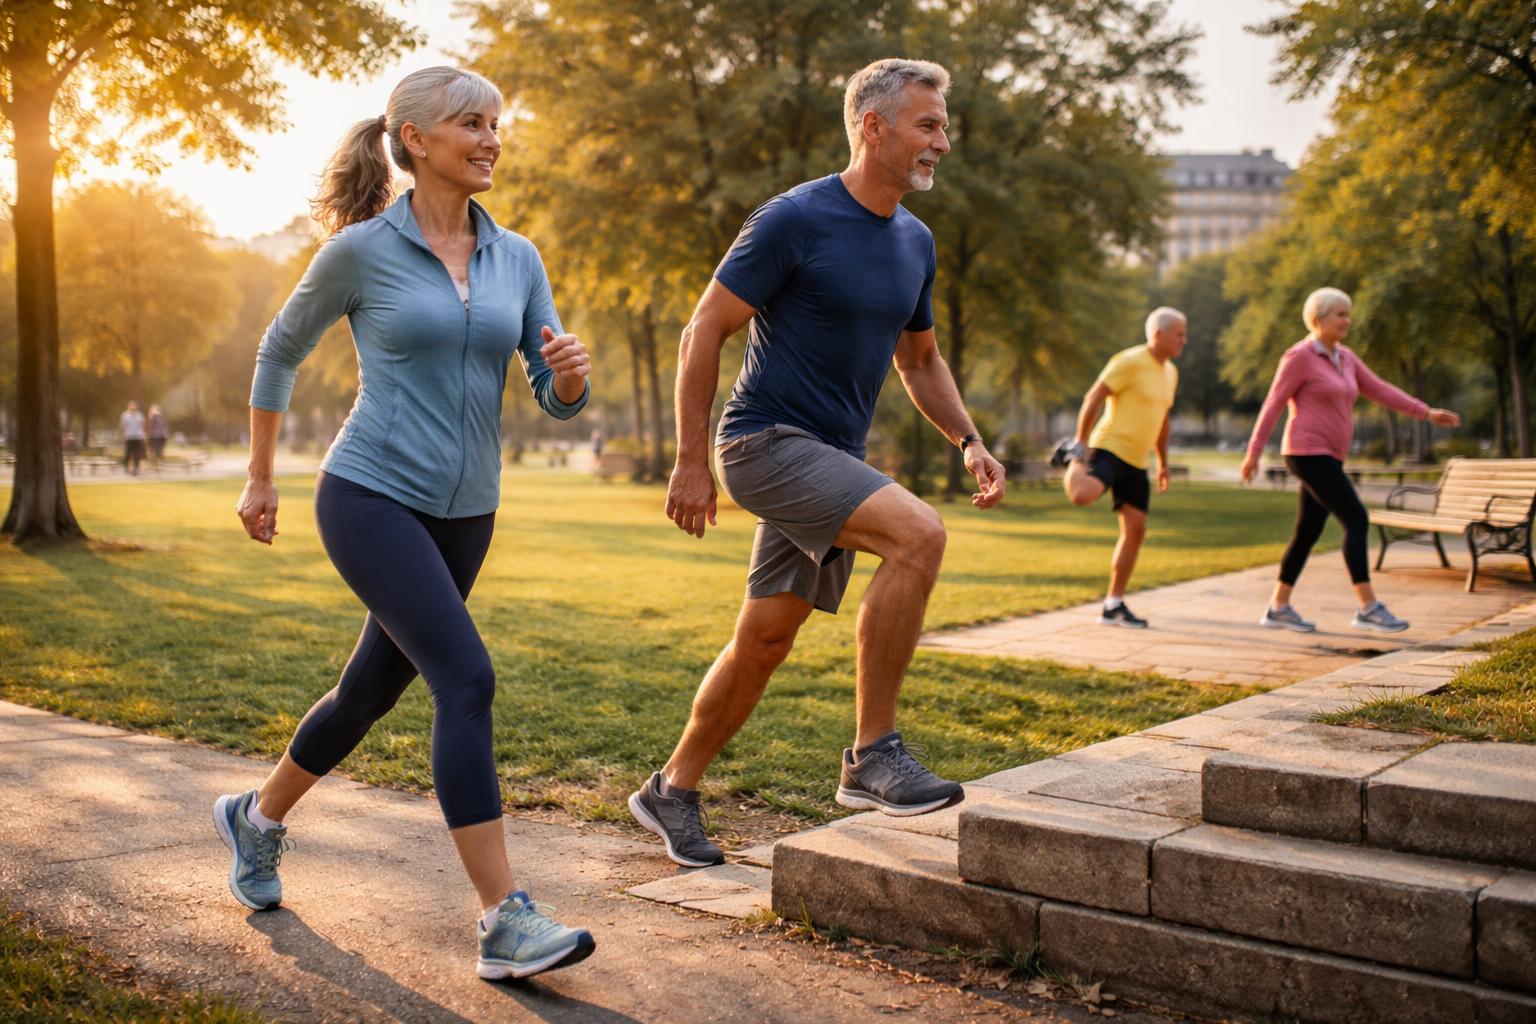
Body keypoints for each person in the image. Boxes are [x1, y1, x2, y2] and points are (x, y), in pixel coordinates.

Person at [221, 67, 596, 981]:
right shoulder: (360, 252)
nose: (491, 139)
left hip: (469, 511)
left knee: (366, 695)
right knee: (465, 678)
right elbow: (280, 350)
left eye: (496, 124)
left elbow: (550, 391)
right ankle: (504, 920)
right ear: (416, 139)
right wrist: (261, 476)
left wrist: (567, 378)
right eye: (472, 123)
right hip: (370, 494)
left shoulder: (518, 257)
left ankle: (256, 818)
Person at [629, 58, 1006, 869]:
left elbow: (920, 361)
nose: (943, 142)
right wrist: (690, 462)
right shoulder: (794, 218)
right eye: (928, 125)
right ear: (873, 125)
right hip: (763, 442)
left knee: (766, 638)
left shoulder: (915, 241)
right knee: (918, 534)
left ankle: (670, 789)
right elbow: (704, 328)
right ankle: (873, 755)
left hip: (831, 457)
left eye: (944, 126)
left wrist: (968, 439)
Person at [1240, 287, 1461, 633]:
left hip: (1330, 455)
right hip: (1307, 452)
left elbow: (1380, 389)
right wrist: (1253, 453)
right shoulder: (1299, 357)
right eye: (1340, 314)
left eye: (1348, 314)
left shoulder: (1345, 357)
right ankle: (1367, 606)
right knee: (1356, 518)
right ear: (1318, 319)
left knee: (1308, 531)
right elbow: (1273, 404)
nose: (1347, 320)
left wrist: (1425, 412)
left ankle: (1278, 607)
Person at [1049, 309, 1186, 629]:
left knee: (1136, 530)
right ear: (1158, 335)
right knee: (1082, 495)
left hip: (1137, 461)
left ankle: (1113, 605)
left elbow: (1163, 420)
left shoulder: (1171, 373)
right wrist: (1081, 442)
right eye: (1179, 334)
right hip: (1110, 447)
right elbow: (1094, 396)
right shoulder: (1129, 361)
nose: (1184, 340)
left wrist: (1163, 462)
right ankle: (1071, 457)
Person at [120, 400, 146, 475]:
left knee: (137, 453)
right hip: (128, 437)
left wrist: (143, 435)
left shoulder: (140, 415)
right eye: (131, 408)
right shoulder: (125, 415)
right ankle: (126, 468)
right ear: (129, 407)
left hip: (137, 437)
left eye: (134, 408)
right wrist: (122, 435)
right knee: (127, 453)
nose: (133, 409)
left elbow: (142, 426)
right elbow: (123, 426)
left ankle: (136, 468)